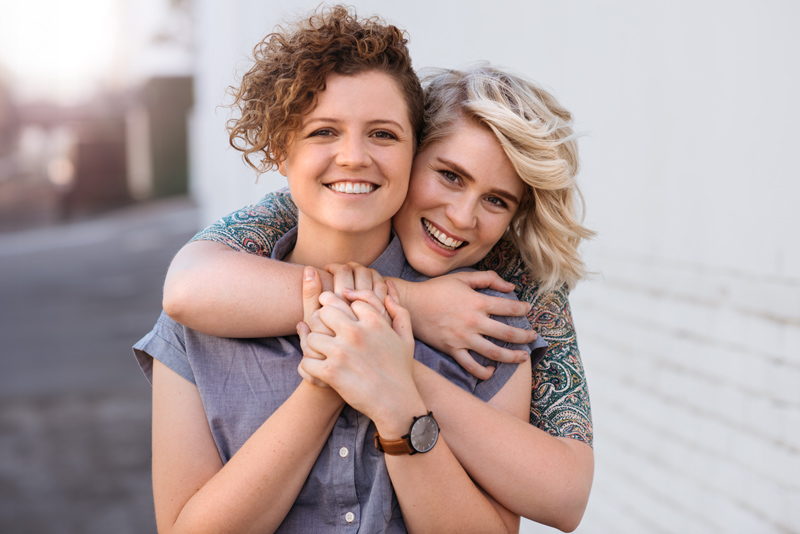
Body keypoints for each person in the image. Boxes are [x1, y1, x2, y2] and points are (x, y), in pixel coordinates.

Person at [134, 6, 537, 533]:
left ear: (416, 152)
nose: (353, 156)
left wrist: (399, 408)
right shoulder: (196, 331)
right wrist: (325, 381)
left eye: (384, 135)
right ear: (281, 149)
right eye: (324, 131)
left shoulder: (479, 324)